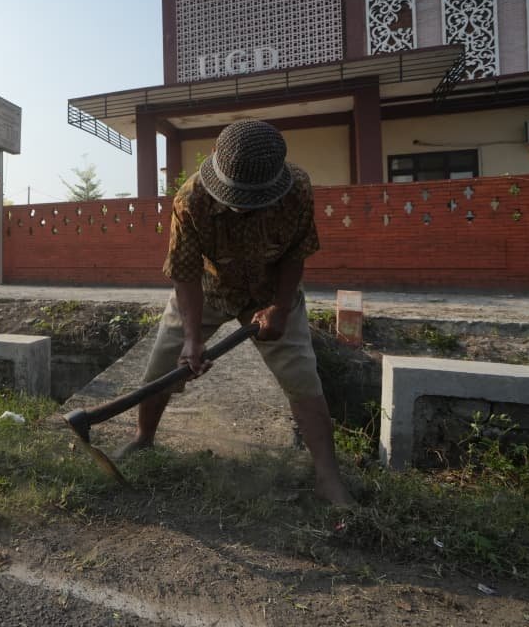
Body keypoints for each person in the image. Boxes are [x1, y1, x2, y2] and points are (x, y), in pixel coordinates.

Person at [115, 120, 354, 506]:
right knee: (161, 368)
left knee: (302, 377)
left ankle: (328, 477)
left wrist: (279, 307)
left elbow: (296, 254)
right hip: (207, 291)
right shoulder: (190, 200)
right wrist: (192, 338)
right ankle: (143, 439)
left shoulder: (298, 190)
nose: (241, 205)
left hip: (273, 290)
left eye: (251, 199)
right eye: (235, 196)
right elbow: (185, 274)